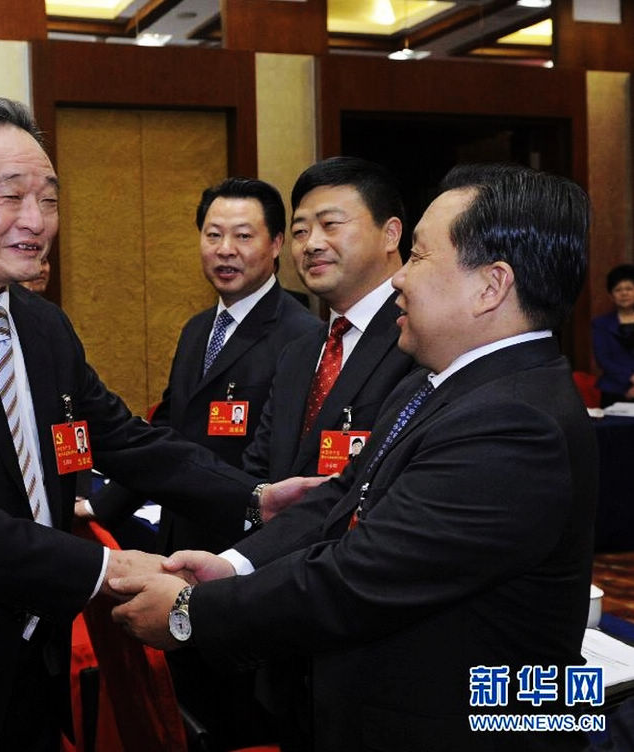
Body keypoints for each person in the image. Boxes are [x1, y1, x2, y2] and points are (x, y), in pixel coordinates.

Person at [0, 98, 318, 752]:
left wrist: (254, 498)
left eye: (49, 199)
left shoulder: (43, 326)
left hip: (28, 662)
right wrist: (108, 567)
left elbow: (123, 438)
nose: (36, 222)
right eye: (11, 197)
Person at [114, 163, 598, 752]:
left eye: (419, 257)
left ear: (490, 286)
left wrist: (193, 610)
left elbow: (358, 576)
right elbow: (340, 498)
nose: (401, 281)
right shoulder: (437, 382)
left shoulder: (515, 423)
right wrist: (235, 566)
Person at [84, 177, 317, 556]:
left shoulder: (302, 337)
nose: (225, 250)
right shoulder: (197, 330)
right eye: (213, 236)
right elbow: (167, 431)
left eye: (243, 236)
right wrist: (102, 506)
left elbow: (278, 461)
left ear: (276, 244)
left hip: (242, 547)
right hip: (179, 536)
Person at [242, 156, 416, 483]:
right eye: (300, 231)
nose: (312, 244)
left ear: (391, 234)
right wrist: (257, 517)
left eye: (330, 225)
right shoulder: (298, 354)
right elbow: (258, 476)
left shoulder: (420, 341)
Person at [592, 263, 634, 406]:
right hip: (613, 390)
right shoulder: (600, 323)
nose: (624, 293)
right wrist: (630, 378)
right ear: (611, 295)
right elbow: (603, 358)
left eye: (629, 288)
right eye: (618, 289)